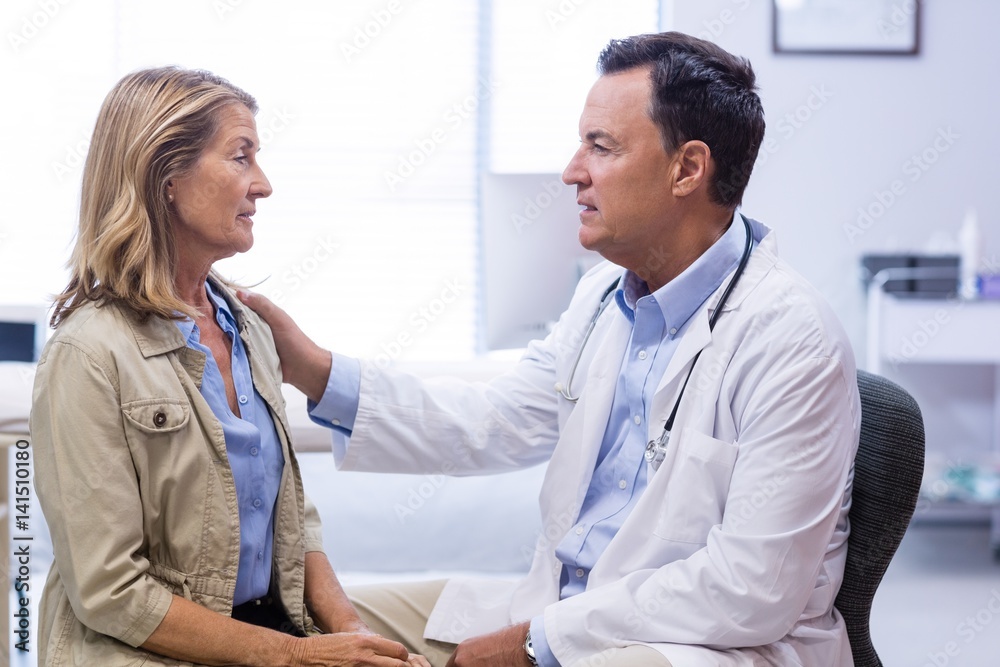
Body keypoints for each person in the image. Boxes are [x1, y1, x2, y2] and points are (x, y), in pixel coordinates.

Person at [240, 32, 860, 667]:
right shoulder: (601, 300)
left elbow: (751, 588)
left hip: (707, 646)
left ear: (688, 169)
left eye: (601, 146)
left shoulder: (792, 341)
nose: (572, 170)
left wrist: (533, 644)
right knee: (299, 625)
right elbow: (491, 421)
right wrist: (313, 370)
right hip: (564, 608)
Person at [31, 66, 430, 667]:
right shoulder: (88, 354)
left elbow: (295, 523)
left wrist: (357, 639)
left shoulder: (249, 329)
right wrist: (297, 657)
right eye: (240, 157)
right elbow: (111, 593)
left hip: (261, 634)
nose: (263, 185)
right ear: (165, 174)